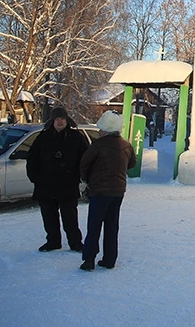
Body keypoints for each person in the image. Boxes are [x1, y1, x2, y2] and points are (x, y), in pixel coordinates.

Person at [26, 106, 89, 252]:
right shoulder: (43, 137)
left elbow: (86, 159)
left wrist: (80, 176)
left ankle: (75, 242)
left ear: (67, 120)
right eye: (57, 119)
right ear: (52, 121)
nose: (60, 121)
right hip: (46, 185)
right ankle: (53, 241)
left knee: (70, 218)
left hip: (68, 184)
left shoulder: (77, 138)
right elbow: (32, 158)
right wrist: (35, 178)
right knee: (49, 217)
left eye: (62, 118)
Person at [80, 110, 136, 271]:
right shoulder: (126, 145)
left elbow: (84, 163)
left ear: (105, 129)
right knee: (112, 225)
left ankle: (89, 259)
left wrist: (86, 179)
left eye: (100, 128)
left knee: (94, 225)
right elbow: (132, 163)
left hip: (99, 191)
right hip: (118, 191)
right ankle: (110, 259)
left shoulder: (98, 144)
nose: (99, 131)